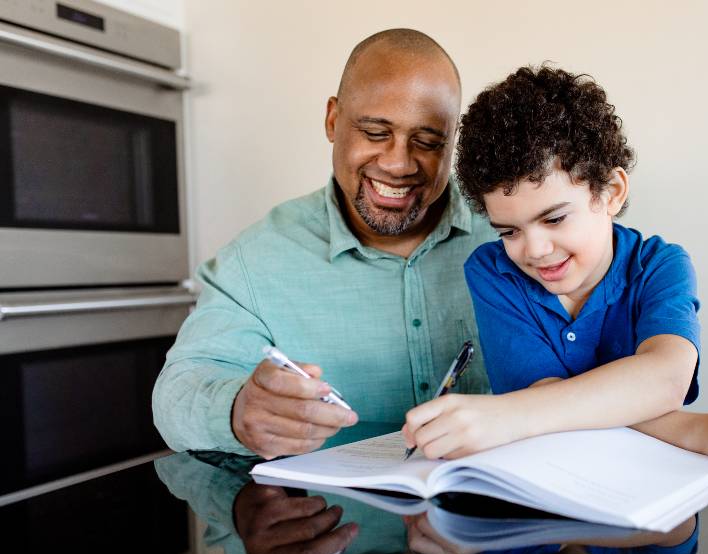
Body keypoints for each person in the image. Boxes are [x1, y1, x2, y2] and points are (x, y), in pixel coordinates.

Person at [403, 66, 708, 462]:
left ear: (612, 192)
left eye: (555, 218)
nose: (535, 249)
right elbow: (545, 397)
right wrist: (698, 431)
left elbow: (665, 378)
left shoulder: (660, 266)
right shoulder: (493, 272)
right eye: (509, 231)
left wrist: (512, 414)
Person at [152, 29, 497, 458]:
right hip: (337, 518)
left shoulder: (513, 229)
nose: (398, 163)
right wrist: (236, 411)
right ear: (333, 121)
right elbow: (175, 395)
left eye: (427, 142)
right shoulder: (256, 261)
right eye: (374, 132)